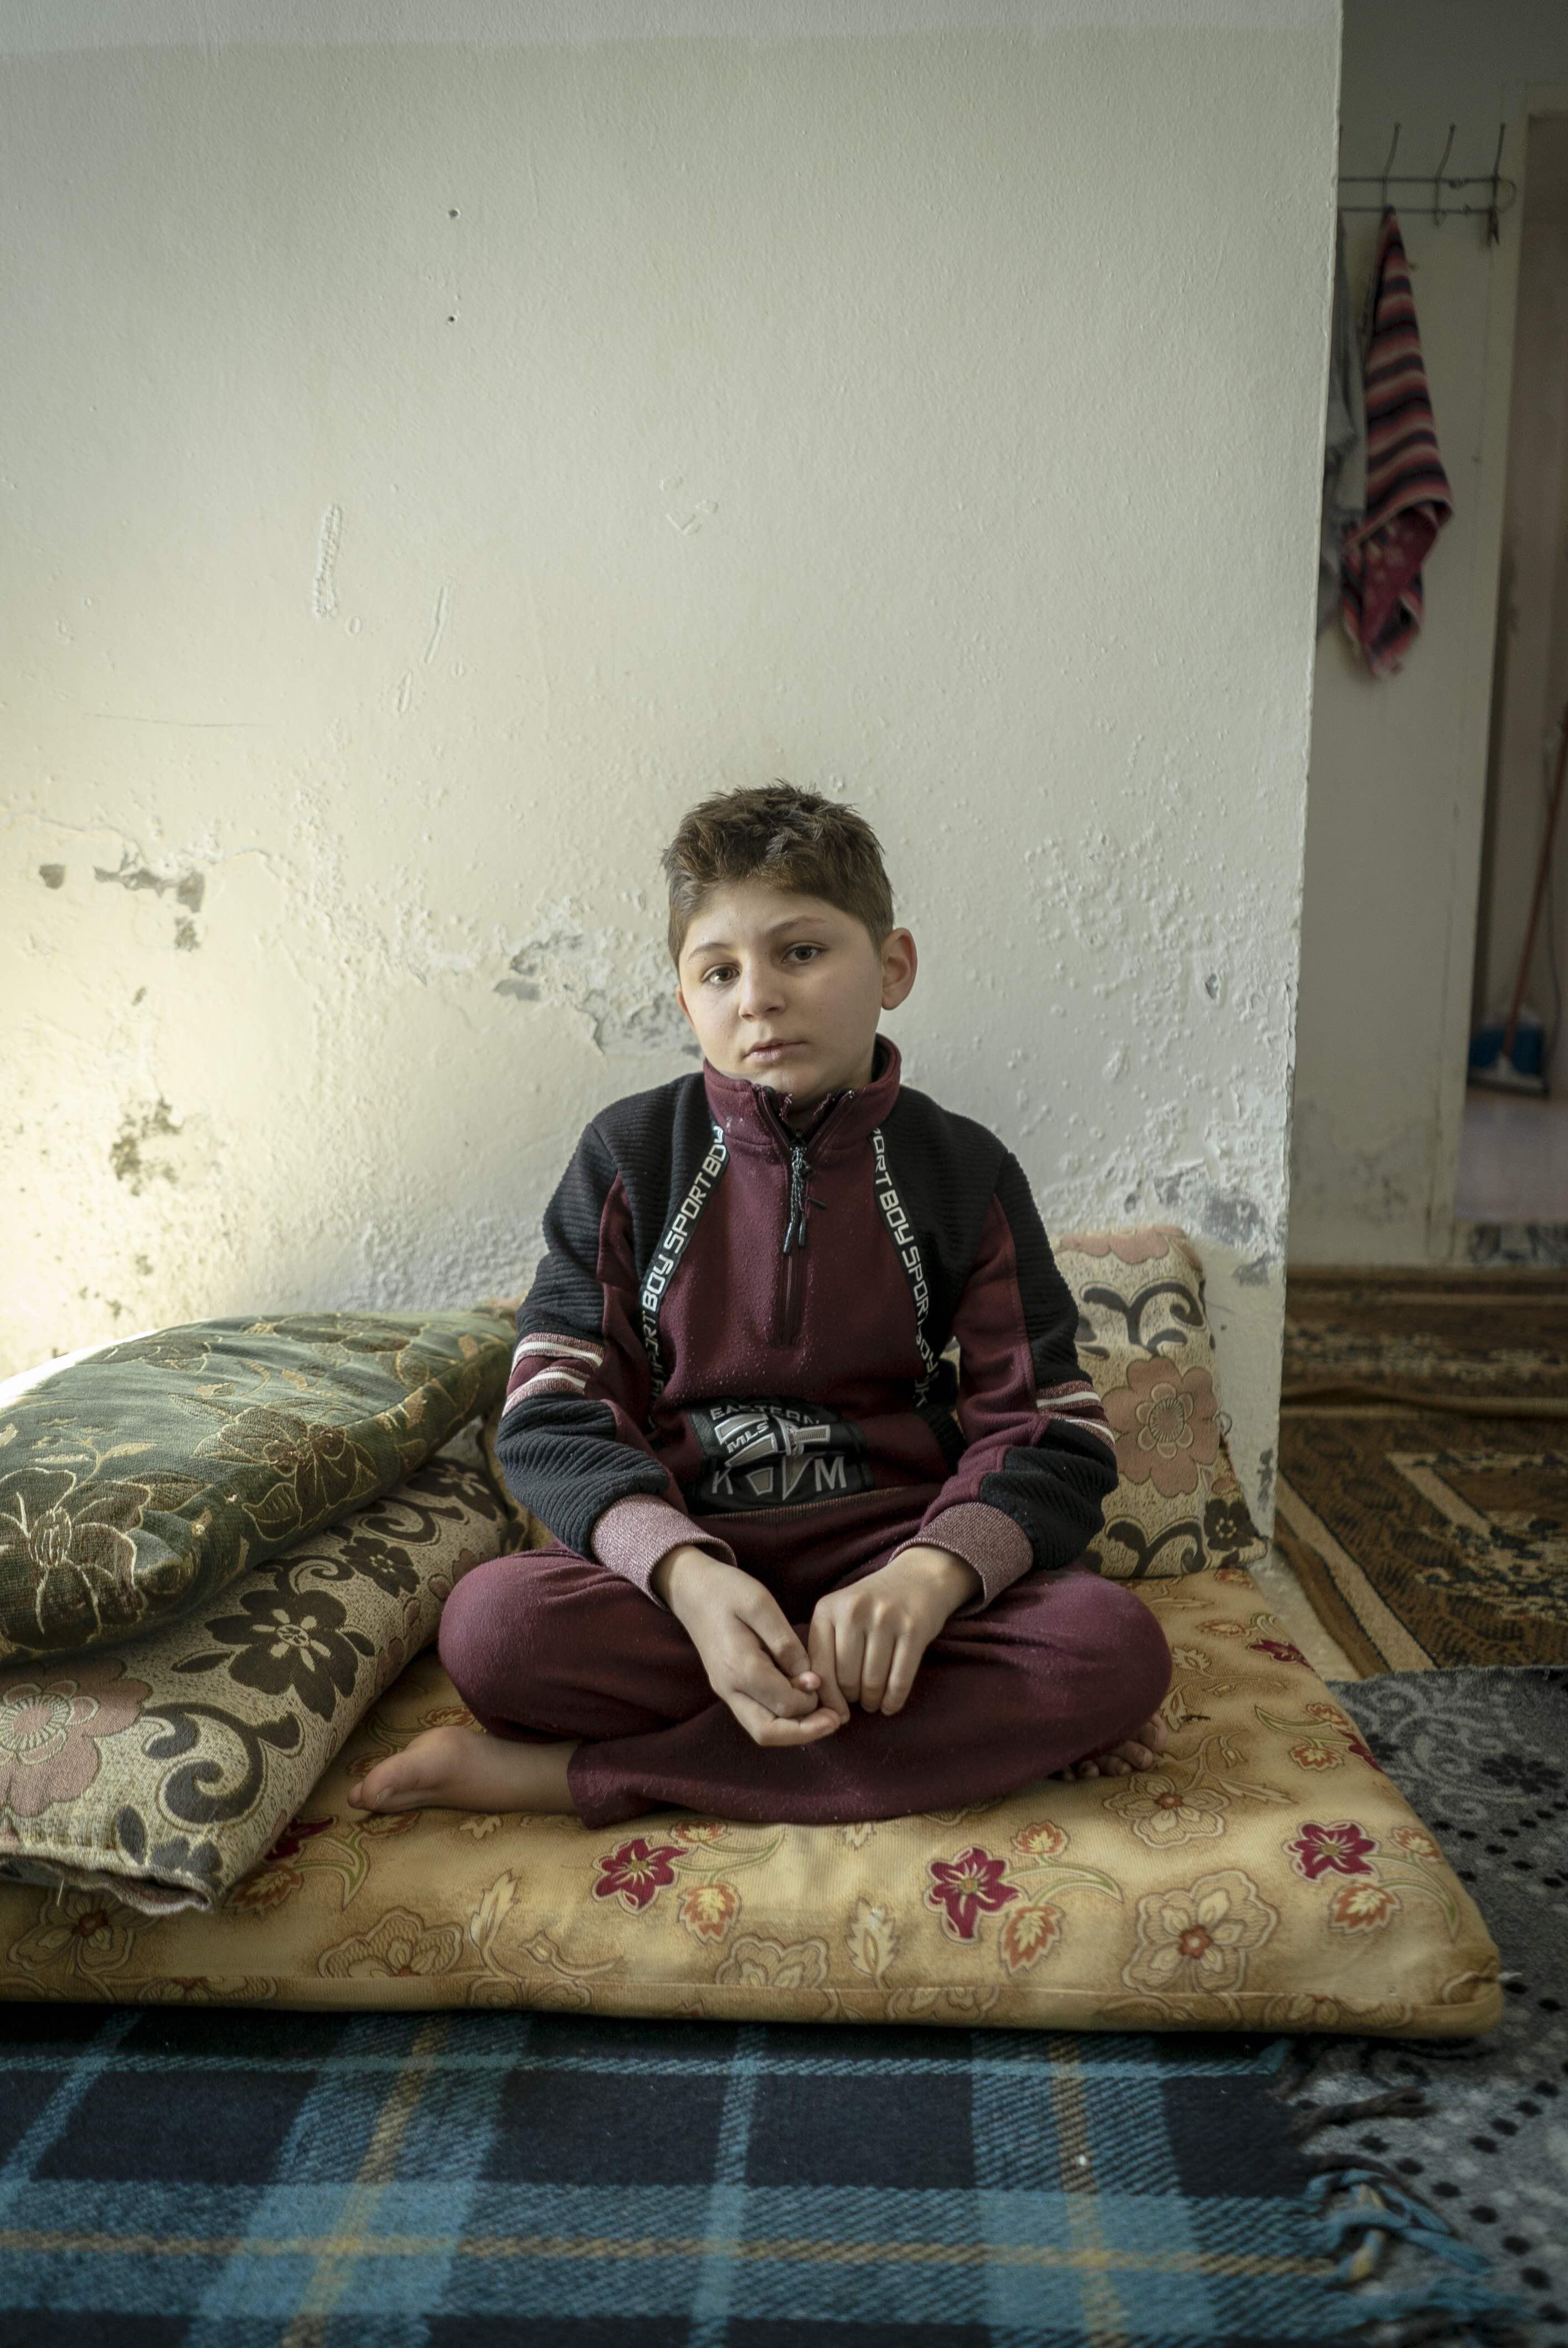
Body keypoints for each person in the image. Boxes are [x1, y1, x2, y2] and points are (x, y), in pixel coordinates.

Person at [349, 782, 1171, 1829]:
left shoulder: (964, 1171)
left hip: (893, 1574)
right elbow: (552, 1414)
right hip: (683, 1579)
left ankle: (571, 1781)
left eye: (802, 953)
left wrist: (933, 1576)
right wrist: (685, 1577)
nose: (759, 997)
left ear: (894, 967)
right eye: (720, 971)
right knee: (494, 1630)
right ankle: (960, 1743)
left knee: (1111, 1651)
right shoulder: (628, 1158)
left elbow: (1052, 1429)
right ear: (685, 997)